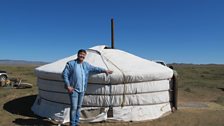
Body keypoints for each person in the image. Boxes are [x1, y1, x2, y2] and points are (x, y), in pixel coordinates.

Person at [62, 49, 113, 126]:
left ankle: (76, 123)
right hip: (73, 90)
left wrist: (105, 70)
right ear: (78, 55)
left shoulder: (86, 65)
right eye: (80, 54)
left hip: (82, 90)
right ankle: (72, 124)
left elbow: (95, 68)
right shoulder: (71, 64)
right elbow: (64, 75)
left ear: (85, 56)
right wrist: (68, 86)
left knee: (79, 107)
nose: (82, 56)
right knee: (74, 108)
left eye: (83, 55)